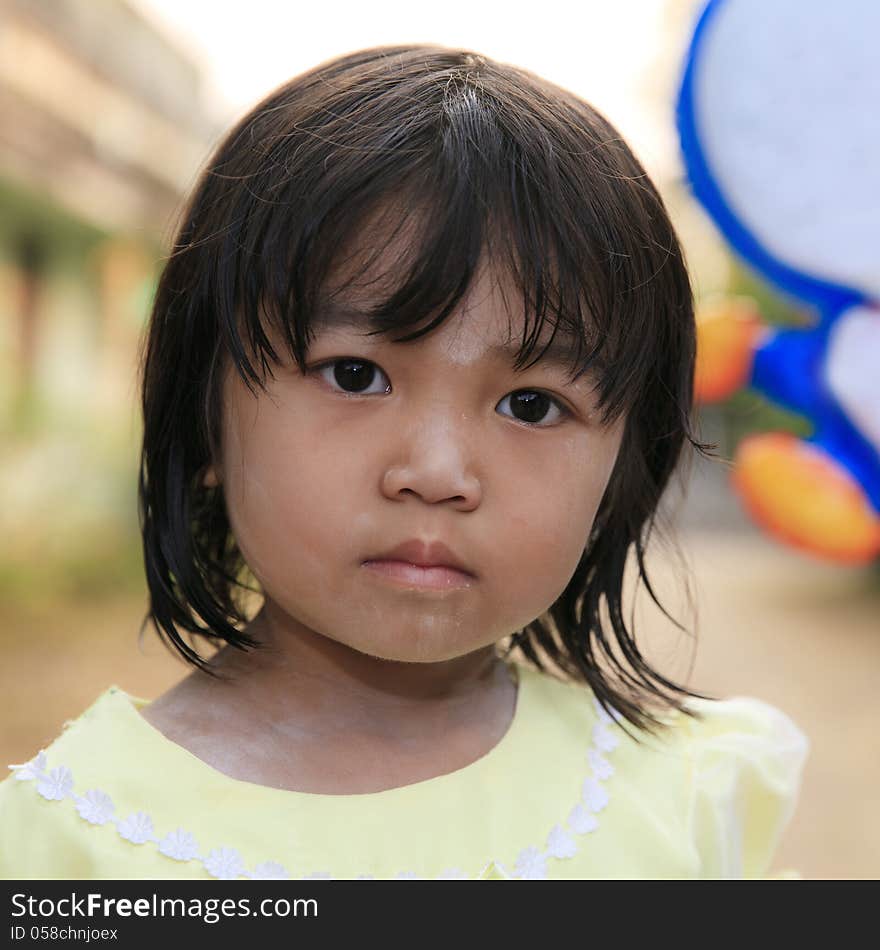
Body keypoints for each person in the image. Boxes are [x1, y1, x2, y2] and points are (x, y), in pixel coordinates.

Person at [0, 45, 808, 880]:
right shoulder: (64, 852)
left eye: (531, 404)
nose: (436, 470)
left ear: (620, 471)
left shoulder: (687, 802)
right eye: (356, 375)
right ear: (204, 416)